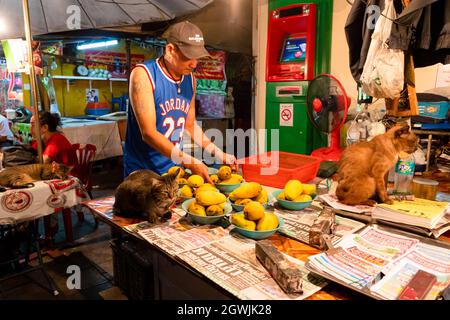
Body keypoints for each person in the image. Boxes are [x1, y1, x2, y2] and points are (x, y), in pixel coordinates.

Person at [124, 21, 237, 182]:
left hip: (174, 171)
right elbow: (148, 133)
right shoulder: (143, 75)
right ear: (170, 50)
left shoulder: (190, 79)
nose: (194, 63)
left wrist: (219, 153)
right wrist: (190, 161)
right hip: (143, 173)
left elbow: (190, 125)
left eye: (197, 57)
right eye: (188, 56)